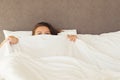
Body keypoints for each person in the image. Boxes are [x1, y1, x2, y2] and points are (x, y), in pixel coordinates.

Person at [0, 22, 77, 47]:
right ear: (33, 35)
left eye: (47, 33)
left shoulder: (58, 41)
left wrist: (73, 38)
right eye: (39, 33)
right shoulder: (25, 42)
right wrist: (8, 39)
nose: (43, 36)